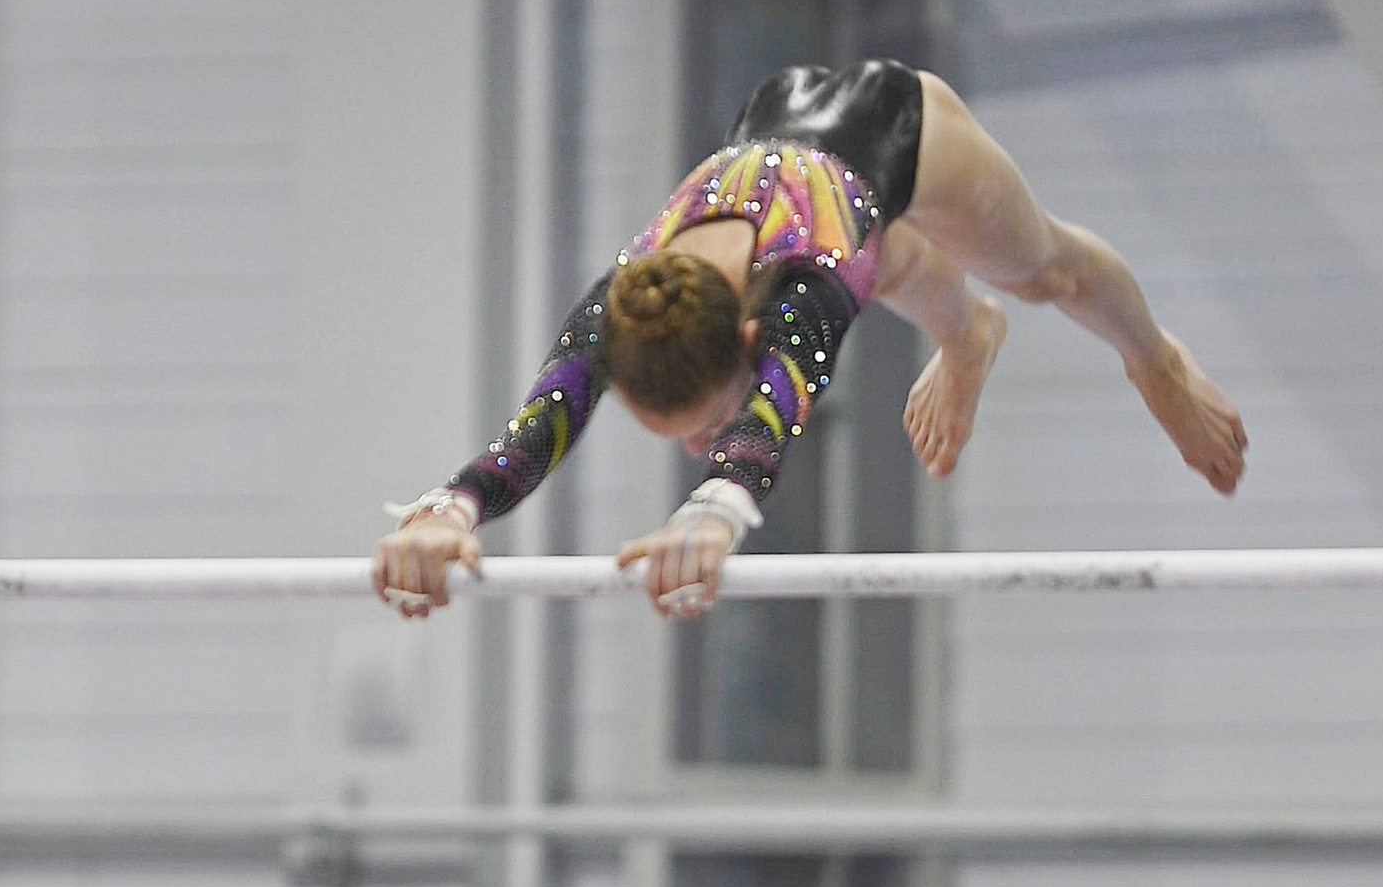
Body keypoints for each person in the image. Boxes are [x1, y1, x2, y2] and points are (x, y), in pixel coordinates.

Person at [371, 60, 1246, 625]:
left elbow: (772, 416)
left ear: (751, 337)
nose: (694, 446)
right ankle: (969, 333)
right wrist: (446, 513)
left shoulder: (810, 287)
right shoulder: (622, 305)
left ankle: (1154, 359)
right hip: (796, 158)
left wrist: (716, 508)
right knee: (895, 270)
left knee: (1045, 272)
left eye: (702, 424)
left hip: (900, 133)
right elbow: (529, 435)